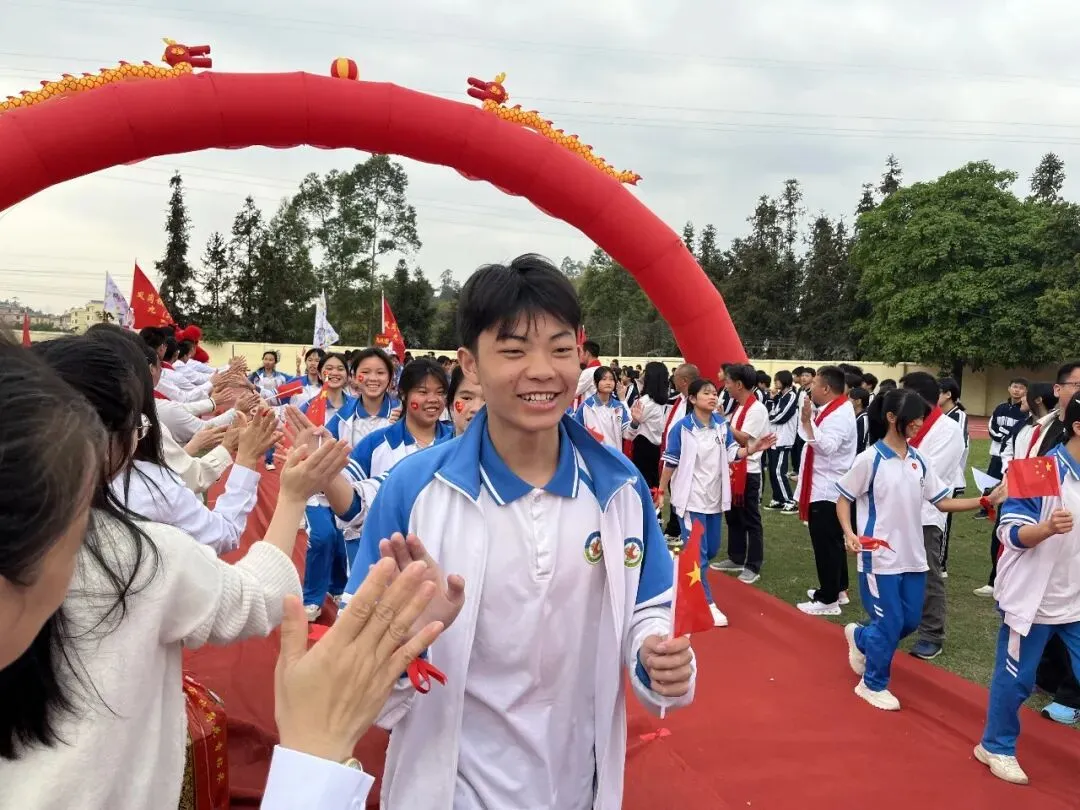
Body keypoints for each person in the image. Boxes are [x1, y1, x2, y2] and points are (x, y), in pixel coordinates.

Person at [341, 254, 696, 810]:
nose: (541, 370)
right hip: (451, 786)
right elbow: (352, 645)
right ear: (472, 365)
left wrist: (653, 652)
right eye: (513, 350)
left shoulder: (617, 485)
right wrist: (410, 636)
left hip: (577, 781)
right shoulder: (416, 491)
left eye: (559, 348)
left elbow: (649, 604)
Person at [0, 332, 354, 808]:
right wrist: (284, 492)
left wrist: (231, 446)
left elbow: (194, 446)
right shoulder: (133, 553)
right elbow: (252, 590)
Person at [837, 389, 995, 711]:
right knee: (891, 622)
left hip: (913, 557)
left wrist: (984, 501)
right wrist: (849, 533)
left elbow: (942, 500)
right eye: (914, 419)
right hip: (878, 556)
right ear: (892, 418)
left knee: (908, 621)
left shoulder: (918, 459)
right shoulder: (869, 459)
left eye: (922, 419)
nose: (919, 424)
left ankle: (861, 638)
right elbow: (843, 498)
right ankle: (872, 684)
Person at [975, 392, 1080, 786]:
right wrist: (1047, 528)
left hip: (1076, 600)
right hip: (1033, 601)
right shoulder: (1038, 469)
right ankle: (995, 745)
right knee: (1016, 679)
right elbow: (1010, 532)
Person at [657, 378, 776, 625]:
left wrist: (753, 449)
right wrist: (661, 490)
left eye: (714, 393)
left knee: (710, 550)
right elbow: (670, 461)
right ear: (692, 399)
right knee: (699, 556)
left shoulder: (722, 425)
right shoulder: (682, 428)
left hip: (715, 499)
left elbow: (733, 453)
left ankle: (681, 569)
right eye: (706, 393)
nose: (713, 397)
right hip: (690, 501)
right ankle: (706, 602)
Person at [899, 372, 966, 661]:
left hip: (926, 513)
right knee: (893, 570)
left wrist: (896, 471)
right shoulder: (907, 424)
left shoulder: (947, 430)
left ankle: (931, 633)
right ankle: (895, 621)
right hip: (897, 509)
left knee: (928, 574)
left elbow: (929, 475)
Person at [796, 366, 858, 616]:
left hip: (828, 489)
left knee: (826, 545)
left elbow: (828, 447)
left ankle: (828, 599)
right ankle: (839, 589)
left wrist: (806, 421)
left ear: (825, 388)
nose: (810, 388)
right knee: (832, 542)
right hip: (823, 485)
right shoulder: (835, 409)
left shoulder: (840, 414)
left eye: (814, 384)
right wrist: (809, 420)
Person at [711, 363, 772, 583]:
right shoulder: (740, 406)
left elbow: (744, 438)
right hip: (735, 468)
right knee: (733, 515)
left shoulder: (756, 409)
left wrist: (722, 423)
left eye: (727, 382)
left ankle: (753, 565)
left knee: (751, 519)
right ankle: (736, 557)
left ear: (738, 384)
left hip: (750, 471)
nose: (725, 386)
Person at [573, 365, 643, 451]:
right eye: (604, 379)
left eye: (611, 379)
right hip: (593, 458)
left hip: (614, 458)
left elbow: (627, 434)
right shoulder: (586, 407)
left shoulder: (619, 407)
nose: (608, 382)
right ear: (595, 382)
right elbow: (576, 434)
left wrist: (635, 422)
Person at [630, 362, 670, 492]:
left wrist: (622, 400)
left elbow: (631, 420)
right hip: (654, 446)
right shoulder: (660, 401)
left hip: (643, 445)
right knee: (652, 483)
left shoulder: (646, 402)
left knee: (643, 484)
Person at [765, 370, 798, 513]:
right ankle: (778, 499)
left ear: (784, 381)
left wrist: (770, 417)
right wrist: (771, 400)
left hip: (783, 440)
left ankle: (790, 501)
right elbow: (769, 411)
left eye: (777, 380)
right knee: (772, 471)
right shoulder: (779, 396)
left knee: (779, 471)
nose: (775, 382)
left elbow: (781, 416)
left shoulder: (791, 396)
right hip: (774, 439)